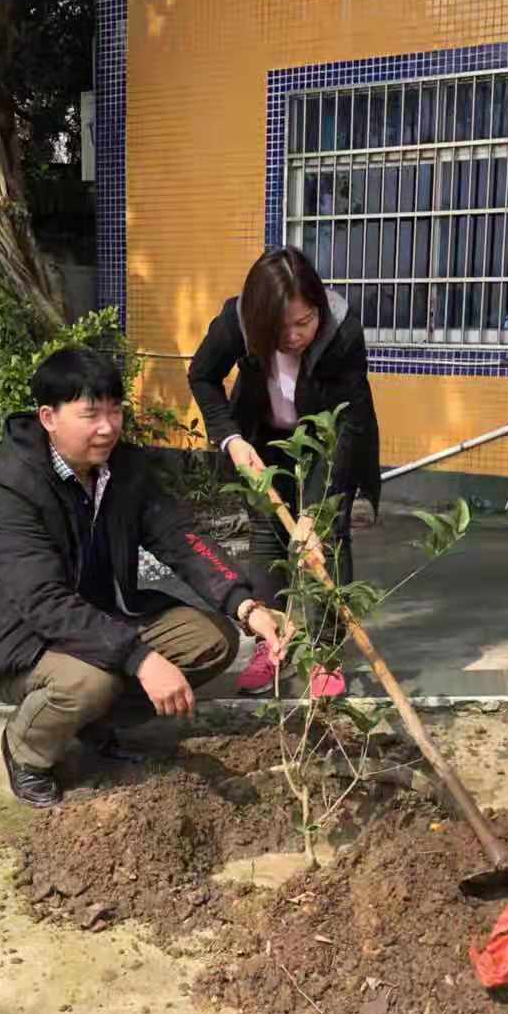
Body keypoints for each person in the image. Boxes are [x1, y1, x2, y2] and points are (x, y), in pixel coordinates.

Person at [0, 348, 290, 808]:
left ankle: (95, 725)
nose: (108, 427)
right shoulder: (10, 489)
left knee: (209, 639)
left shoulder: (123, 468)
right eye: (90, 413)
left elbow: (178, 537)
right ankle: (26, 750)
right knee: (91, 682)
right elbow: (44, 601)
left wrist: (244, 606)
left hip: (94, 618)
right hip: (19, 639)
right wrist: (139, 657)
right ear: (48, 417)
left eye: (115, 411)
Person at [188, 246, 380, 697]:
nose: (295, 335)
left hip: (328, 442)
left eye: (305, 321)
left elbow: (350, 422)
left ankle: (326, 654)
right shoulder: (237, 321)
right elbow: (202, 375)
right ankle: (271, 643)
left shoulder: (343, 329)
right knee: (266, 533)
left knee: (327, 539)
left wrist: (314, 514)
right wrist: (231, 439)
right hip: (261, 440)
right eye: (281, 327)